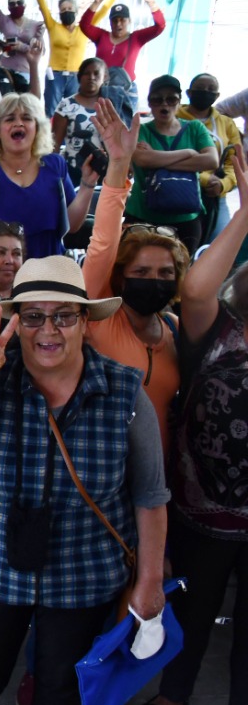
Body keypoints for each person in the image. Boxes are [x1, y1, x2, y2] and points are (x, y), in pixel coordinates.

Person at [0, 256, 169, 705]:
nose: (48, 330)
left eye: (64, 315)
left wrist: (148, 581)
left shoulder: (123, 392)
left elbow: (150, 494)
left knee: (60, 679)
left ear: (86, 321)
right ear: (15, 322)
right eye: (33, 316)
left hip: (84, 573)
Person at [131, 150, 248, 705]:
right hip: (205, 513)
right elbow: (197, 282)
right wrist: (247, 213)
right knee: (194, 611)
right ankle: (174, 694)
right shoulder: (216, 330)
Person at [81, 98, 186, 456]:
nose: (154, 280)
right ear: (121, 277)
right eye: (141, 272)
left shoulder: (173, 328)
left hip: (161, 474)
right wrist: (120, 165)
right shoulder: (101, 315)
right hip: (106, 470)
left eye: (165, 273)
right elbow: (103, 243)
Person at [0, 92, 90, 258]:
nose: (18, 123)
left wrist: (87, 185)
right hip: (1, 271)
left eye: (26, 118)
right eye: (10, 119)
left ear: (37, 128)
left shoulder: (55, 164)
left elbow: (73, 225)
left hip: (49, 266)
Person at [126, 75, 220, 254]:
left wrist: (156, 158)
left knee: (179, 273)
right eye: (157, 99)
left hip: (186, 218)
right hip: (142, 215)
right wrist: (188, 154)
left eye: (171, 99)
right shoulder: (141, 130)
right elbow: (142, 160)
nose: (164, 104)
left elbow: (211, 160)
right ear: (150, 103)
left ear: (179, 101)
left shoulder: (195, 128)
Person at [27, 0, 115, 116]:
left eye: (69, 9)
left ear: (76, 11)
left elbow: (103, 11)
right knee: (51, 111)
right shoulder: (53, 26)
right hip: (55, 75)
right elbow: (42, 5)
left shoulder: (84, 29)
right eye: (63, 10)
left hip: (76, 75)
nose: (66, 11)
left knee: (73, 109)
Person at [178, 72, 242, 244]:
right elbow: (169, 158)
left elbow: (234, 162)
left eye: (211, 89)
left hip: (215, 197)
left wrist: (224, 184)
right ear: (189, 92)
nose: (205, 92)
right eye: (199, 88)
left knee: (223, 242)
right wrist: (205, 179)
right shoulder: (174, 118)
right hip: (178, 190)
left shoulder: (227, 123)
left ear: (217, 96)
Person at [80, 0, 165, 84]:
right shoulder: (102, 36)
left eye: (122, 20)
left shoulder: (136, 38)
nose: (118, 24)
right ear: (110, 22)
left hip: (125, 91)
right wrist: (96, 3)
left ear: (129, 21)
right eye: (115, 20)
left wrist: (151, 3)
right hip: (101, 87)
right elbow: (84, 25)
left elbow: (160, 26)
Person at [52, 57, 109, 186]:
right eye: (86, 73)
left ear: (104, 77)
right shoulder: (66, 105)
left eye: (96, 73)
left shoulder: (109, 105)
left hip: (103, 170)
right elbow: (54, 143)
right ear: (79, 77)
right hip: (73, 170)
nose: (91, 77)